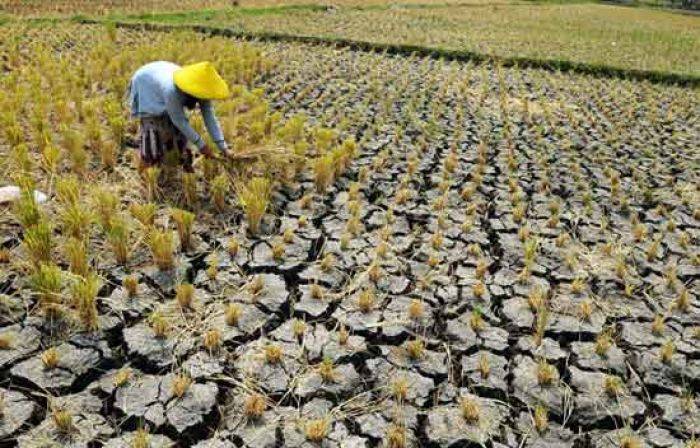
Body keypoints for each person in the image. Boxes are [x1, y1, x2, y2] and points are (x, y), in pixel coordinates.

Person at [128, 61, 231, 172]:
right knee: (154, 131)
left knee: (178, 136)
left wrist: (223, 147)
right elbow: (179, 120)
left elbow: (210, 118)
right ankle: (148, 169)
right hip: (146, 84)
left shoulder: (201, 88)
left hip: (161, 74)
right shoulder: (171, 90)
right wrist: (202, 146)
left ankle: (178, 163)